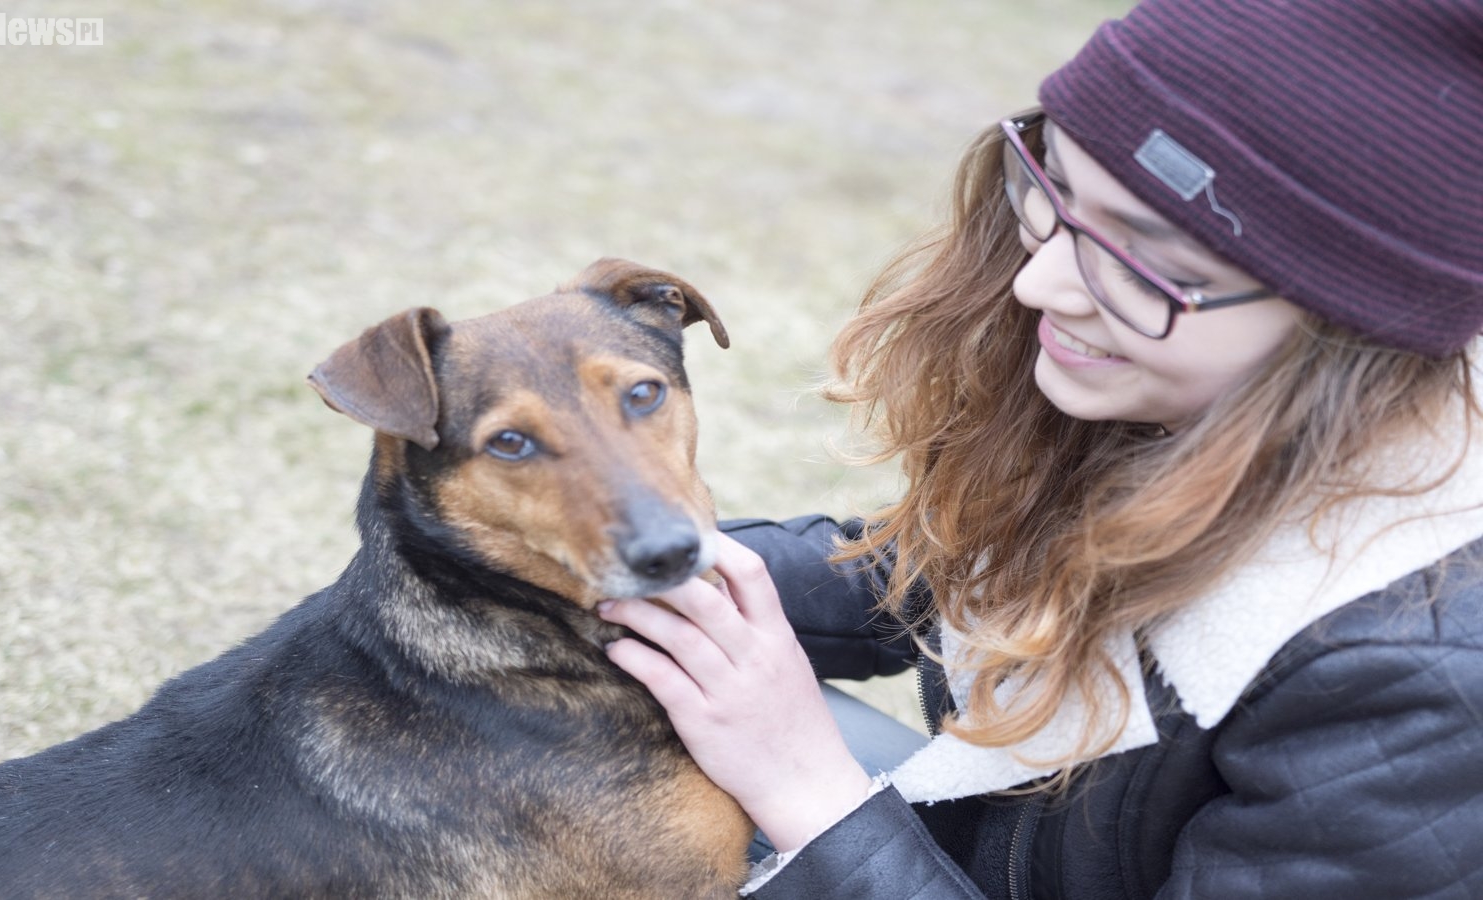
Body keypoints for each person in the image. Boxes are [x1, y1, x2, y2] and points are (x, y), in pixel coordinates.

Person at [595, 0, 1483, 896]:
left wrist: (807, 790)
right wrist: (595, 574)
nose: (1039, 281)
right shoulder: (1177, 404)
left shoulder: (1425, 693)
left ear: (1354, 333)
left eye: (1150, 265)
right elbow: (931, 578)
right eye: (1051, 187)